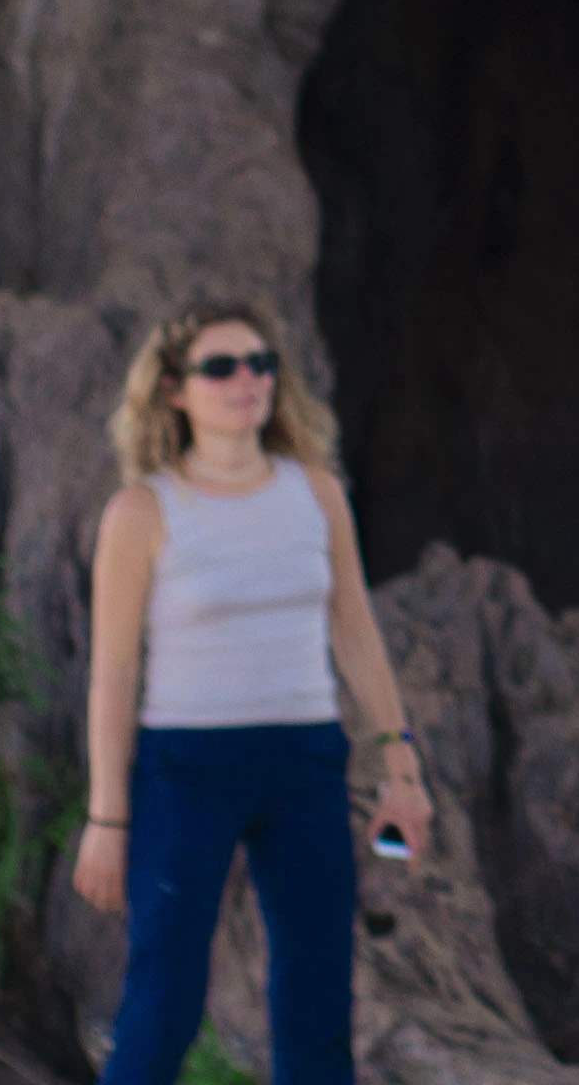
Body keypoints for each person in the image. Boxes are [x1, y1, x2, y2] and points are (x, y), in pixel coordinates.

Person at [76, 299, 434, 1085]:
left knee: (317, 1001)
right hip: (186, 769)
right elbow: (113, 673)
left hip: (304, 761)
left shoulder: (316, 494)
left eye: (261, 363)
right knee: (162, 1005)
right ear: (173, 390)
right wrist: (107, 815)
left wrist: (400, 769)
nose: (249, 380)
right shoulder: (142, 512)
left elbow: (356, 635)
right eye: (222, 366)